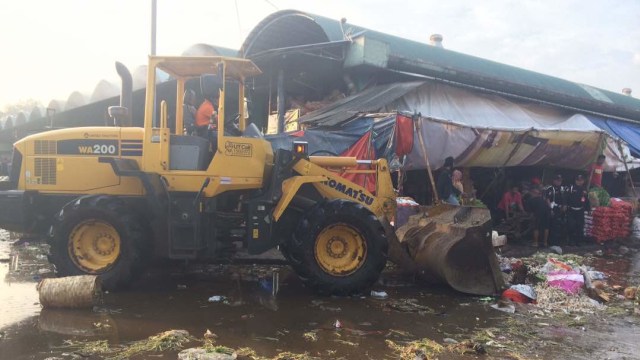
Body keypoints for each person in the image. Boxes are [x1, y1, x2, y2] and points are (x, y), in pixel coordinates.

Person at [566, 174, 589, 246]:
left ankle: (579, 241)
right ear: (575, 181)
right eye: (578, 180)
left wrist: (588, 209)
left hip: (580, 210)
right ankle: (571, 240)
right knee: (571, 225)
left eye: (581, 180)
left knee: (580, 226)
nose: (579, 182)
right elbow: (566, 197)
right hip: (571, 210)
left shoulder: (584, 189)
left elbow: (586, 200)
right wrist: (565, 205)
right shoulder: (571, 187)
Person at [544, 174, 566, 245]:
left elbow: (564, 198)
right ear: (554, 181)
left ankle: (558, 241)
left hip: (560, 209)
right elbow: (547, 199)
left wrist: (564, 206)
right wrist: (550, 209)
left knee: (560, 225)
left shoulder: (562, 189)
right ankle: (551, 242)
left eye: (560, 181)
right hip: (552, 209)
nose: (559, 182)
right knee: (552, 226)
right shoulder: (549, 188)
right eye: (557, 180)